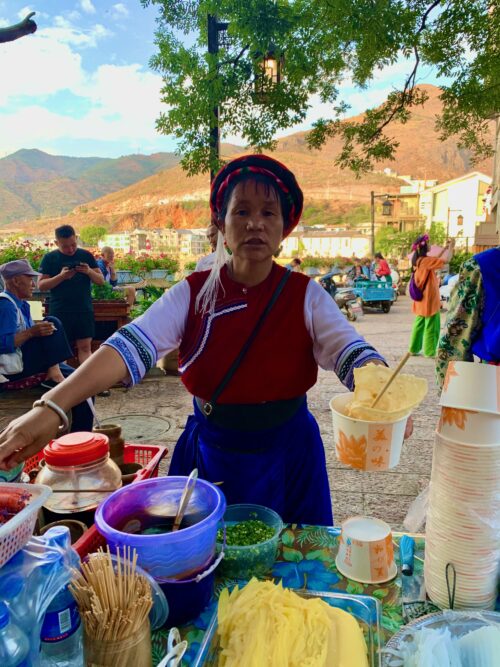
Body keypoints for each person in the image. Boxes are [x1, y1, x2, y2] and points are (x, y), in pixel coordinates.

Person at [0, 155, 412, 525]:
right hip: (212, 453)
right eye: (242, 211)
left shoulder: (305, 295)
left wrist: (383, 397)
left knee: (293, 573)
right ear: (221, 223)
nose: (255, 223)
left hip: (288, 454)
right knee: (204, 568)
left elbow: (349, 350)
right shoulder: (193, 292)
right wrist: (52, 406)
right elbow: (128, 347)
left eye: (269, 213)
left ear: (284, 228)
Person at [0, 260, 93, 431]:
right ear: (15, 281)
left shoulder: (23, 305)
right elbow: (3, 344)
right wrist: (31, 333)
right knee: (52, 321)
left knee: (84, 386)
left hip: (27, 361)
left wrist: (36, 332)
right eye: (29, 278)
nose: (33, 284)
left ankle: (81, 436)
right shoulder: (5, 305)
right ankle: (54, 372)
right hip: (13, 370)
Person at [38, 225, 104, 365]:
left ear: (76, 238)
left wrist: (88, 271)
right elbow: (41, 285)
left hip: (83, 309)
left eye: (73, 244)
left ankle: (89, 383)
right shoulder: (50, 258)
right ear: (56, 243)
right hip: (60, 310)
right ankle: (65, 383)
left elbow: (101, 281)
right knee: (61, 349)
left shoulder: (86, 255)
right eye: (65, 246)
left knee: (85, 347)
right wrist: (62, 277)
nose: (70, 249)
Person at [436, 245, 499, 387]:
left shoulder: (482, 266)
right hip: (494, 384)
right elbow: (455, 340)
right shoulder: (484, 267)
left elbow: (455, 341)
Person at [409, 234, 454, 358]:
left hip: (421, 299)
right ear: (423, 247)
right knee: (431, 326)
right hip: (428, 299)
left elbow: (436, 260)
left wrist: (445, 248)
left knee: (419, 324)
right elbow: (447, 260)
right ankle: (429, 351)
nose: (430, 245)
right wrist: (452, 246)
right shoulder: (426, 261)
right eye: (428, 243)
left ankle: (413, 348)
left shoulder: (419, 261)